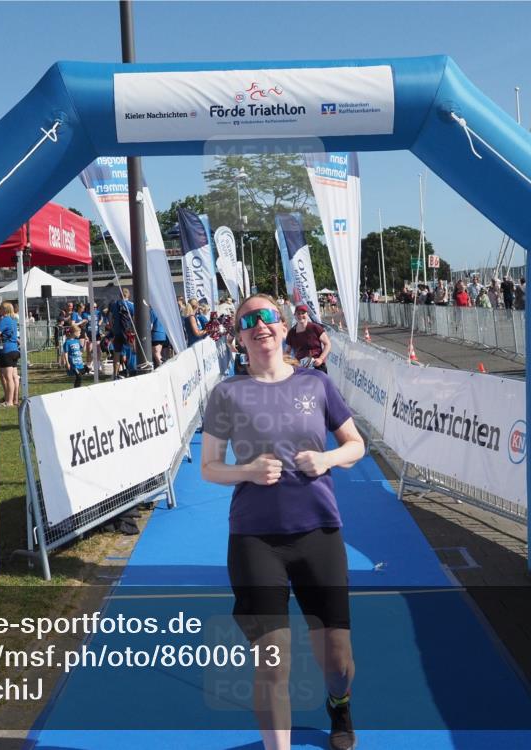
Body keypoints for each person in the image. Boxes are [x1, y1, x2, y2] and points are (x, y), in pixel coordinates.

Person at [201, 293, 365, 750]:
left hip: (319, 532)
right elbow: (209, 466)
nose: (260, 325)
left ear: (283, 323)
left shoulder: (316, 384)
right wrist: (248, 471)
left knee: (337, 659)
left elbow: (356, 445)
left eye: (268, 316)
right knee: (272, 661)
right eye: (248, 320)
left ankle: (340, 703)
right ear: (239, 336)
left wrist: (327, 458)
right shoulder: (227, 392)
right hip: (255, 539)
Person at [0, 301, 20, 406]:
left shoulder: (5, 320)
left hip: (6, 351)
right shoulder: (13, 320)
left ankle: (9, 401)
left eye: (1, 309)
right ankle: (14, 400)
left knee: (8, 378)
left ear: (5, 310)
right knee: (13, 377)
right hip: (14, 350)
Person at [285, 304, 331, 372]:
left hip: (317, 367)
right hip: (300, 369)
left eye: (303, 313)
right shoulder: (291, 332)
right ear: (295, 315)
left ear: (307, 314)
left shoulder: (315, 327)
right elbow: (287, 351)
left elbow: (328, 344)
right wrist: (288, 363)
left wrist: (321, 359)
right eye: (298, 314)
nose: (300, 316)